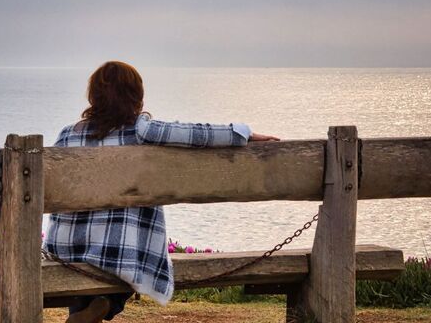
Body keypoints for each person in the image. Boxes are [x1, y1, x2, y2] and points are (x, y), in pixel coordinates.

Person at [43, 61, 279, 323]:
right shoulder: (143, 131)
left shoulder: (68, 136)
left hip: (66, 250)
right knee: (121, 267)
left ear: (93, 95)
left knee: (94, 274)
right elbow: (196, 134)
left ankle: (85, 314)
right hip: (118, 255)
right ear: (136, 95)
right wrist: (242, 132)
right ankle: (107, 305)